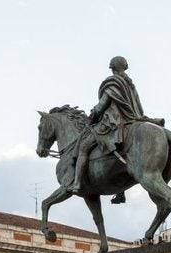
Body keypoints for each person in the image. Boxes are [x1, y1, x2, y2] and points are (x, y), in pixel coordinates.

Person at [69, 56, 164, 203]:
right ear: (124, 67)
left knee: (83, 147)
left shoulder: (112, 82)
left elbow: (102, 105)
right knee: (125, 157)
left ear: (112, 68)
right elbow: (138, 106)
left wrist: (92, 116)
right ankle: (121, 191)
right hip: (133, 119)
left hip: (114, 122)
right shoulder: (130, 83)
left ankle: (77, 183)